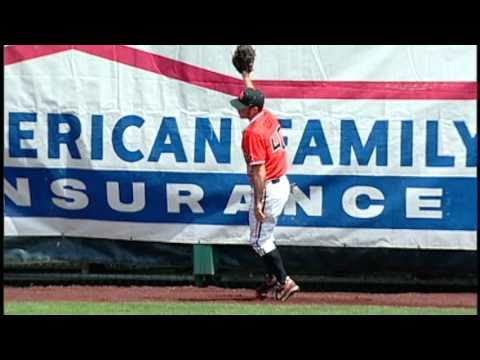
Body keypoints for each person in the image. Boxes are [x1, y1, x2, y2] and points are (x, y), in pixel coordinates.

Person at [230, 71, 300, 301]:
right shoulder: (266, 115)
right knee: (264, 236)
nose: (239, 108)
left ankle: (284, 281)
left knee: (260, 240)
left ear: (253, 109)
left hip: (269, 187)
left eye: (243, 105)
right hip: (279, 183)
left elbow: (259, 172)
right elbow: (256, 96)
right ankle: (272, 277)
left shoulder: (253, 132)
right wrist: (246, 75)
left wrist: (259, 202)